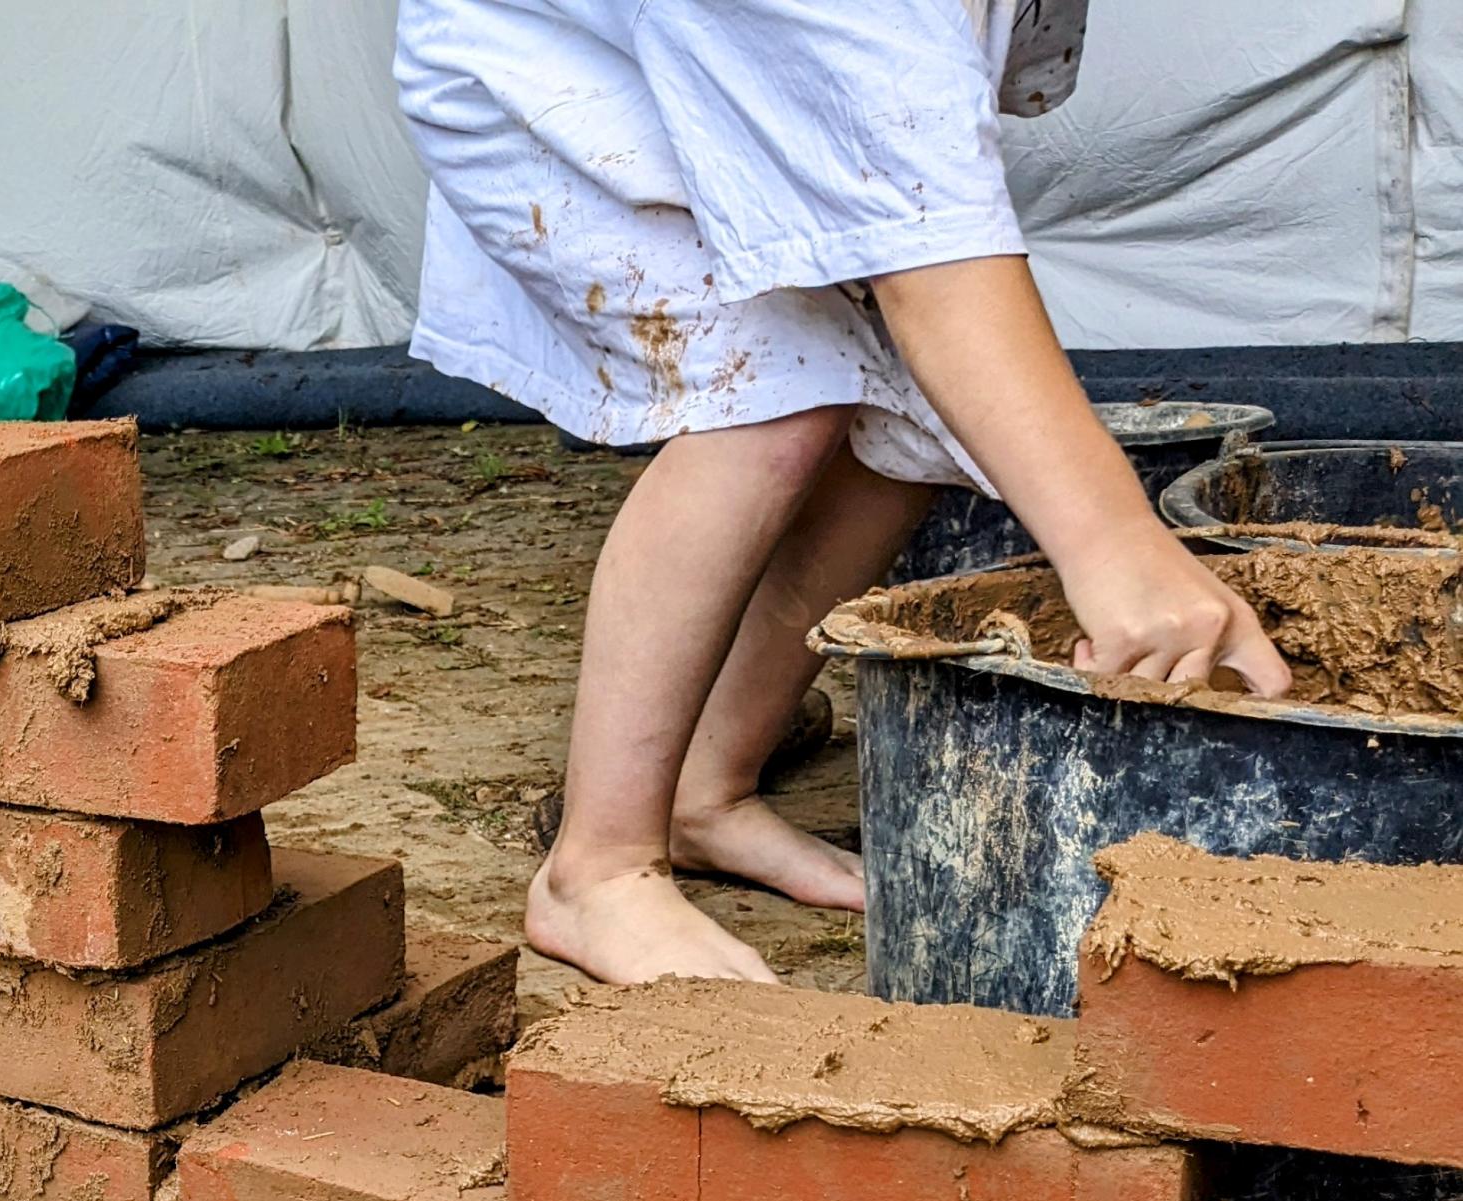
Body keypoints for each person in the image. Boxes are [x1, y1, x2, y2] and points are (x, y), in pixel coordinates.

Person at [396, 0, 1290, 985]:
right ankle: (595, 866)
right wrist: (1115, 544)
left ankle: (706, 790)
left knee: (911, 424)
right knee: (764, 408)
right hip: (558, 81)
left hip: (729, 67)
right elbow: (928, 266)